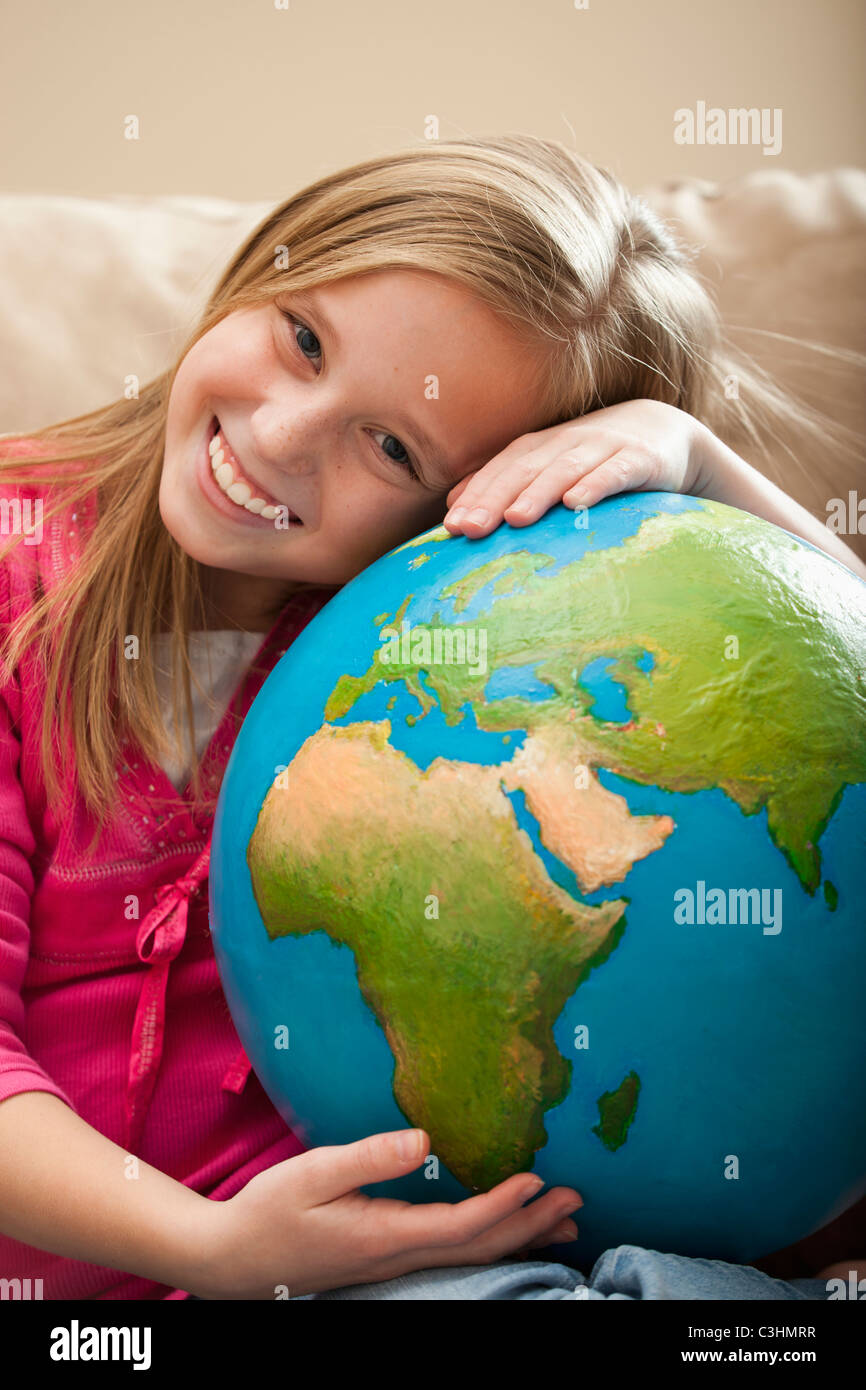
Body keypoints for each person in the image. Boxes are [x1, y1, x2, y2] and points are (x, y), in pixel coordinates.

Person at [0, 135, 862, 1302]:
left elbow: (833, 695)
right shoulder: (18, 576)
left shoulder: (437, 655)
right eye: (302, 338)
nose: (284, 434)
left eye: (394, 445)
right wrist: (211, 1252)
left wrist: (694, 465)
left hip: (419, 1262)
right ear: (262, 265)